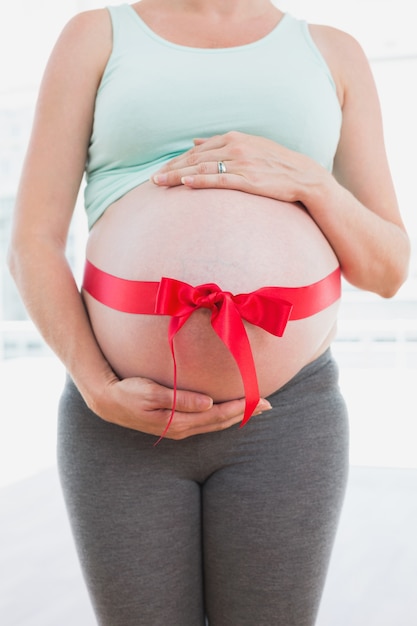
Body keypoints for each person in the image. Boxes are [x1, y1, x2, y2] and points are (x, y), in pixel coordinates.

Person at [8, 1, 410, 625]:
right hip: (120, 415)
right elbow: (32, 239)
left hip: (286, 419)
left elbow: (386, 270)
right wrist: (95, 386)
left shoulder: (334, 51)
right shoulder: (97, 34)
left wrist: (312, 181)